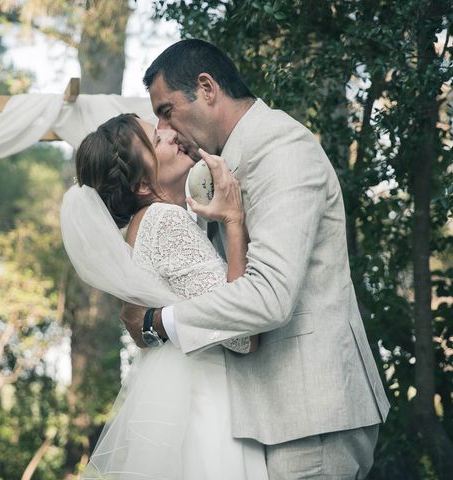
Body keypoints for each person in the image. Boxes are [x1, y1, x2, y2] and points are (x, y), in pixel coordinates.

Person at [120, 38, 391, 479]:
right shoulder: (222, 166)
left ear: (206, 89)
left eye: (166, 110)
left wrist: (158, 323)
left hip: (311, 417)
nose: (165, 130)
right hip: (277, 417)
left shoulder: (282, 150)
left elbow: (269, 297)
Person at [60, 113, 268, 479]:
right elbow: (242, 333)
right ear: (142, 184)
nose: (172, 136)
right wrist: (234, 221)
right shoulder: (164, 221)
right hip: (208, 408)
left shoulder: (146, 225)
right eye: (157, 139)